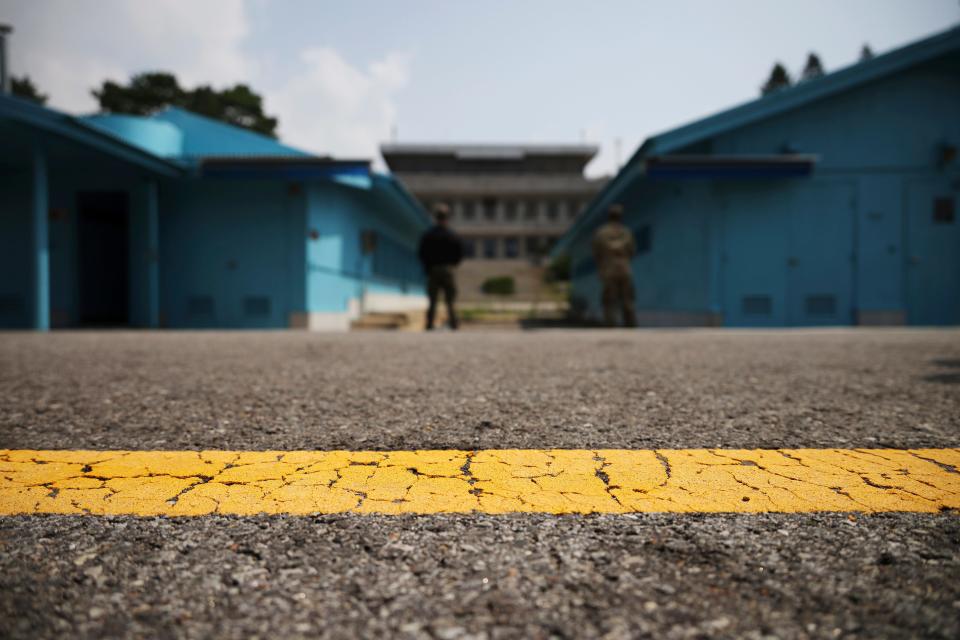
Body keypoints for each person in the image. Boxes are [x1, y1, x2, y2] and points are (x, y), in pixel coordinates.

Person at [418, 203, 463, 330]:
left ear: (435, 217)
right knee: (450, 300)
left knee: (432, 300)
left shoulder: (428, 235)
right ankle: (454, 324)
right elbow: (459, 253)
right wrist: (453, 265)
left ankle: (429, 324)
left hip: (433, 269)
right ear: (447, 218)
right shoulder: (452, 235)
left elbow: (422, 253)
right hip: (448, 269)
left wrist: (427, 267)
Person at [592, 203, 637, 327]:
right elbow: (632, 251)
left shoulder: (601, 233)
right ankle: (631, 327)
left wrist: (601, 266)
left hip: (608, 269)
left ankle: (610, 326)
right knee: (628, 299)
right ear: (620, 216)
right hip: (624, 269)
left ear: (609, 216)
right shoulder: (626, 232)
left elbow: (596, 253)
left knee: (609, 301)